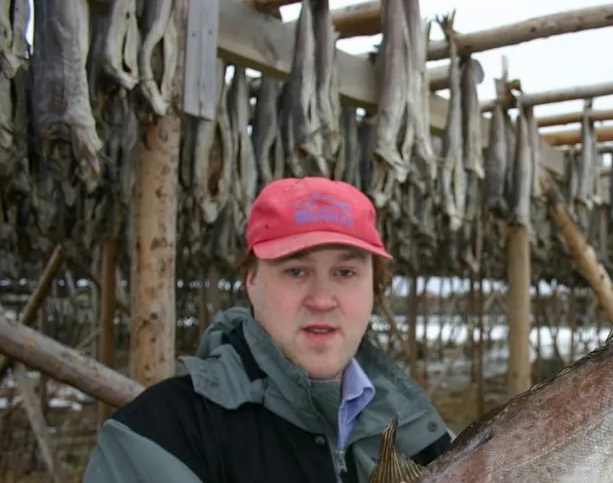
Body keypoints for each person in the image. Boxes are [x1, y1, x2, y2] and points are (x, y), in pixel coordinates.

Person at [83, 177, 453, 482]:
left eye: (345, 273)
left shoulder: (419, 432)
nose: (322, 300)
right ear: (251, 283)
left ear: (375, 288)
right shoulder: (162, 436)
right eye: (296, 271)